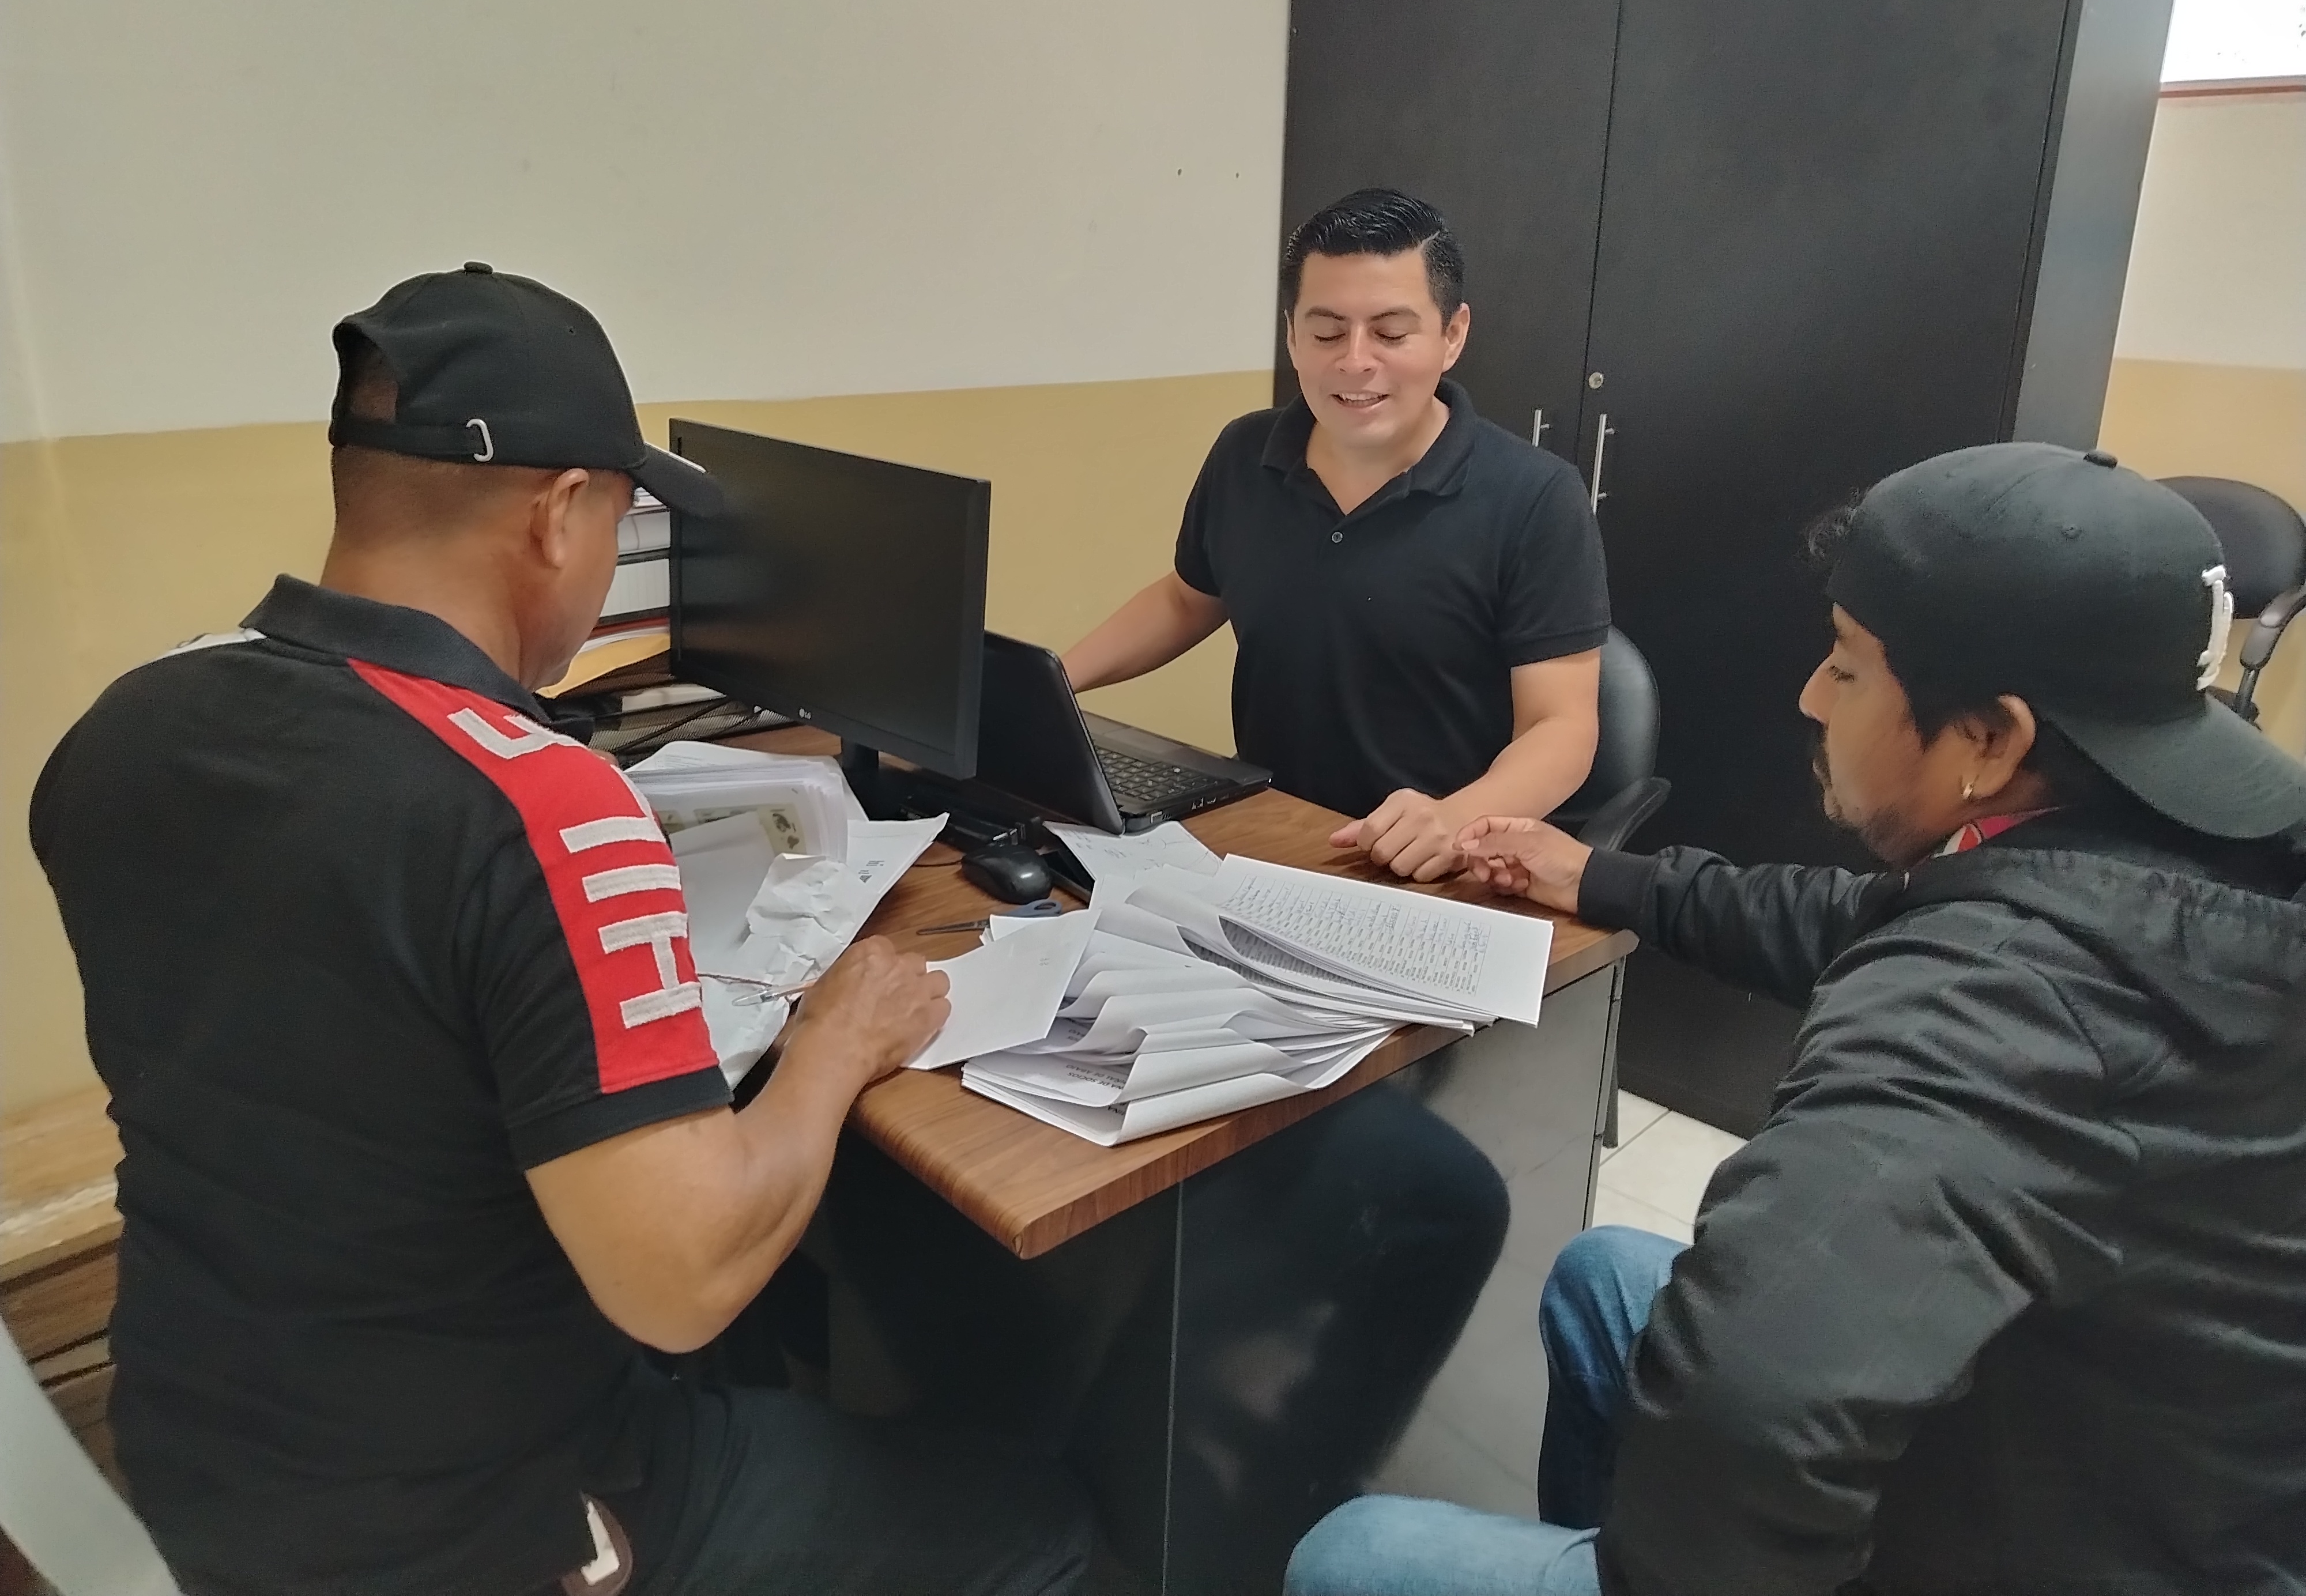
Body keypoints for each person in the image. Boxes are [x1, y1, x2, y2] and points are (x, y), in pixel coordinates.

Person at [30, 265, 1091, 1596]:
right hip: (475, 1531)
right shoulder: (544, 807)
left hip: (202, 1460)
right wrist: (836, 1039)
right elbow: (682, 1282)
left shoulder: (126, 729)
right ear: (557, 514)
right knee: (1038, 1523)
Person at [1286, 442, 2306, 1596]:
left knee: (1354, 1559)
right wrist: (1599, 876)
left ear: (1991, 738)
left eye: (1847, 666)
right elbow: (1857, 919)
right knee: (1604, 1276)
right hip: (2106, 1440)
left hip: (2057, 1547)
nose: (1812, 696)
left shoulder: (1991, 1000)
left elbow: (1752, 1402)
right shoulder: (2173, 858)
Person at [1063, 188, 1609, 880]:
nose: (1354, 361)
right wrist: (1051, 686)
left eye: (1390, 334)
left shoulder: (1536, 497)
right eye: (1325, 334)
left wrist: (1456, 820)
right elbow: (1186, 598)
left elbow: (1561, 727)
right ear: (1292, 335)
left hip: (1443, 865)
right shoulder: (1245, 454)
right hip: (1274, 836)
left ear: (1452, 335)